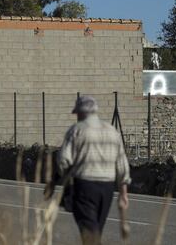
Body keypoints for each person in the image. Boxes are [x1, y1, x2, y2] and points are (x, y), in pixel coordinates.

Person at [56, 96, 131, 244]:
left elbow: (63, 160)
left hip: (84, 186)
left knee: (89, 232)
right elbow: (122, 164)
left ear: (80, 113)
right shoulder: (112, 131)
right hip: (107, 189)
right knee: (96, 229)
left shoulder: (76, 130)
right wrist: (123, 194)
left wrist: (65, 181)